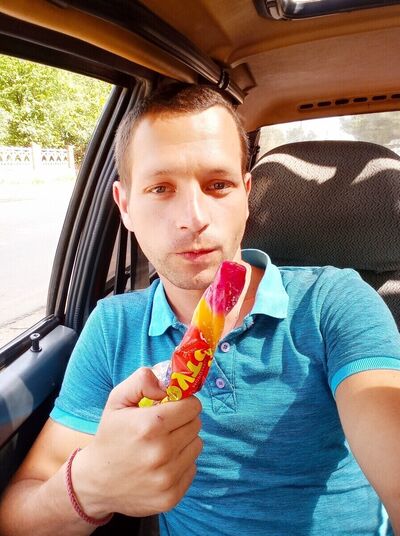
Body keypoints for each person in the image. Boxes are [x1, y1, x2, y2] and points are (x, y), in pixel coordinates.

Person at [1, 84, 400, 536]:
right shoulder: (114, 327)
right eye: (160, 188)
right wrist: (91, 486)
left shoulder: (334, 300)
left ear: (246, 195)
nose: (193, 218)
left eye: (218, 185)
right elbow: (17, 516)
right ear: (125, 206)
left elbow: (384, 416)